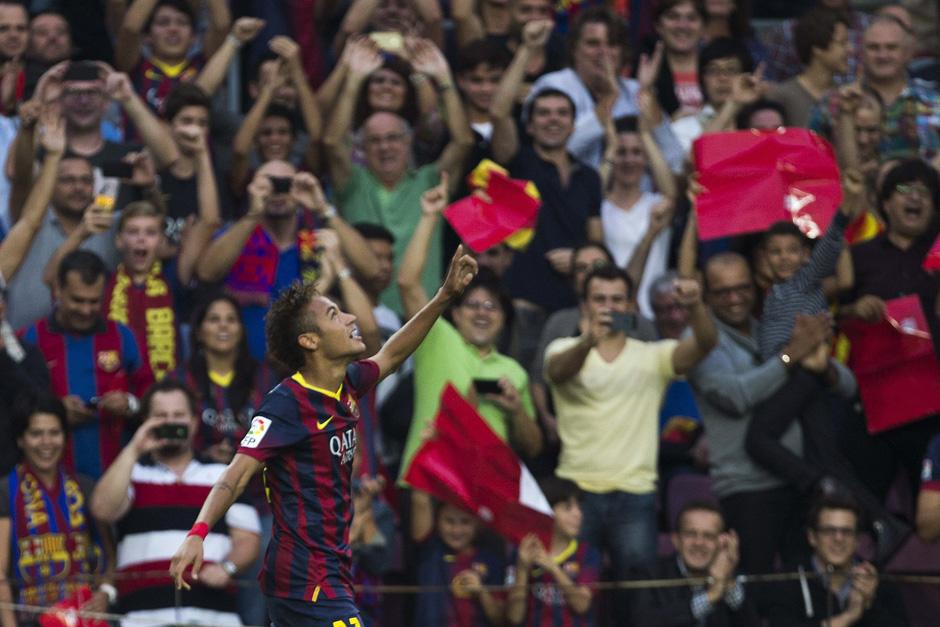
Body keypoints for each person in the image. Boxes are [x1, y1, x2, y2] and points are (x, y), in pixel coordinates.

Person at [168, 244, 479, 624]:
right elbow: (234, 477)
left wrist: (444, 296)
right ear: (310, 341)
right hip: (305, 580)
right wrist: (197, 533)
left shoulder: (347, 383)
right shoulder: (285, 404)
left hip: (329, 572)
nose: (350, 317)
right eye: (334, 314)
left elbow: (392, 355)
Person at [745, 171, 910, 562]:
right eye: (775, 252)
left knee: (760, 438)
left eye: (792, 251)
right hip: (800, 379)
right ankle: (882, 523)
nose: (784, 258)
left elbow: (829, 247)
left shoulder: (803, 283)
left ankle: (837, 498)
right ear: (764, 259)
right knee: (826, 456)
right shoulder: (775, 294)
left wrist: (841, 214)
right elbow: (770, 348)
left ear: (804, 256)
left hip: (804, 378)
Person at [690, 252, 859, 578]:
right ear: (707, 296)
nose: (735, 298)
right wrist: (790, 355)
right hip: (747, 489)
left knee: (801, 589)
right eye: (723, 292)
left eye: (742, 288)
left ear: (755, 286)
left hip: (797, 480)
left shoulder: (773, 329)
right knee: (755, 587)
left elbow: (849, 386)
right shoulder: (701, 343)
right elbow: (736, 397)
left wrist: (823, 367)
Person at [544, 265, 716, 578]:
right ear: (585, 305)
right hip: (577, 493)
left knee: (638, 598)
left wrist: (696, 306)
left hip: (635, 492)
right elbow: (558, 372)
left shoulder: (653, 356)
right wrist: (587, 341)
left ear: (631, 307)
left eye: (617, 299)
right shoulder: (563, 348)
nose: (608, 307)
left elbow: (704, 344)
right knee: (574, 589)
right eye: (599, 299)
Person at [396, 178, 542, 483]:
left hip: (485, 493)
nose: (481, 314)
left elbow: (533, 447)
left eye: (491, 307)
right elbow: (408, 283)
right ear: (456, 313)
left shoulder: (513, 371)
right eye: (473, 305)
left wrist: (516, 410)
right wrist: (428, 217)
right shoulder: (437, 338)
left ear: (504, 317)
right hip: (429, 481)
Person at [90, 379, 261, 626]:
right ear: (146, 422)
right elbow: (103, 510)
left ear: (193, 422)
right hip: (142, 619)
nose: (170, 422)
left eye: (178, 415)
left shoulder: (222, 474)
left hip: (214, 617)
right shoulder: (130, 471)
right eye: (161, 416)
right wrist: (135, 448)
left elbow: (248, 539)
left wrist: (228, 568)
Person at [324, 37, 474, 314]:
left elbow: (463, 142)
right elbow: (332, 143)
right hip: (361, 316)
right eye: (375, 141)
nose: (385, 147)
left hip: (421, 316)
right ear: (362, 148)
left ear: (408, 142)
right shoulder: (352, 182)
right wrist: (354, 81)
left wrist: (444, 80)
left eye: (394, 138)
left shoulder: (430, 181)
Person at [197, 164, 378, 359]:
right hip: (243, 370)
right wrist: (252, 214)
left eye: (286, 184)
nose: (278, 191)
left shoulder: (317, 239)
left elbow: (371, 269)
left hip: (302, 364)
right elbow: (206, 273)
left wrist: (323, 208)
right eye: (269, 183)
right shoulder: (238, 235)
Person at [19, 250, 150, 480]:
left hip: (114, 479)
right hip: (44, 483)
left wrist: (129, 404)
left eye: (94, 301)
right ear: (58, 290)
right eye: (77, 300)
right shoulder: (29, 340)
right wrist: (56, 412)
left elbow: (149, 394)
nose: (86, 310)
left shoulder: (123, 337)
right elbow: (11, 406)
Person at [0, 393, 114, 626]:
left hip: (85, 618)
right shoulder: (5, 490)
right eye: (36, 434)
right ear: (20, 439)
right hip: (31, 620)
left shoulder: (85, 486)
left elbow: (111, 556)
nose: (46, 442)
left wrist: (105, 592)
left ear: (65, 436)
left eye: (54, 433)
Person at [524, 7, 684, 170]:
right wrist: (610, 98)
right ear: (574, 49)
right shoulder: (553, 85)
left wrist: (647, 97)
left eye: (612, 44)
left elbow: (676, 161)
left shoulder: (636, 90)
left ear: (623, 51)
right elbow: (558, 150)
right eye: (593, 43)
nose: (604, 52)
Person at [809, 14, 940, 163]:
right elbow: (812, 163)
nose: (882, 55)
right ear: (861, 52)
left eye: (891, 47)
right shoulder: (832, 103)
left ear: (908, 52)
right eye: (873, 47)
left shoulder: (934, 101)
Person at [765, 494, 909, 626]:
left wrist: (869, 605)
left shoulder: (877, 579)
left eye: (847, 532)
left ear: (857, 539)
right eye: (829, 531)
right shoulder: (788, 580)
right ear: (812, 537)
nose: (838, 539)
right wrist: (849, 616)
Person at [601, 112, 677, 319]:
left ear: (647, 159)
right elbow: (590, 199)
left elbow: (672, 192)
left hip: (654, 314)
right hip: (611, 311)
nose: (629, 160)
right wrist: (610, 145)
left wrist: (645, 135)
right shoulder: (599, 207)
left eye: (637, 153)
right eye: (621, 152)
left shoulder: (656, 205)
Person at [629, 501, 750, 626]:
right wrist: (711, 595)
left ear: (721, 542)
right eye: (691, 534)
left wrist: (727, 581)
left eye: (708, 536)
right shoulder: (648, 576)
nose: (699, 542)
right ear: (676, 540)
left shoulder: (737, 577)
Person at [505, 477, 600, 626]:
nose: (578, 514)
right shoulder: (521, 551)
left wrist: (553, 568)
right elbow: (514, 617)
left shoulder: (587, 554)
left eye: (579, 507)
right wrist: (522, 569)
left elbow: (582, 605)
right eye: (567, 508)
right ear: (546, 512)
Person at [410, 489, 506, 627]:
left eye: (465, 522)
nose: (456, 530)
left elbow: (500, 620)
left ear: (478, 524)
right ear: (436, 521)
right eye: (449, 521)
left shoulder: (491, 561)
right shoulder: (430, 551)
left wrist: (481, 592)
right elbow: (420, 501)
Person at [767, 6, 851, 128]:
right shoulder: (781, 97)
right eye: (842, 43)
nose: (850, 49)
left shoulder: (846, 97)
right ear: (817, 48)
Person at [649, 0, 706, 118]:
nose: (682, 26)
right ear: (658, 26)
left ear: (703, 27)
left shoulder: (717, 67)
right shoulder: (646, 71)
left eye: (691, 18)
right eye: (673, 17)